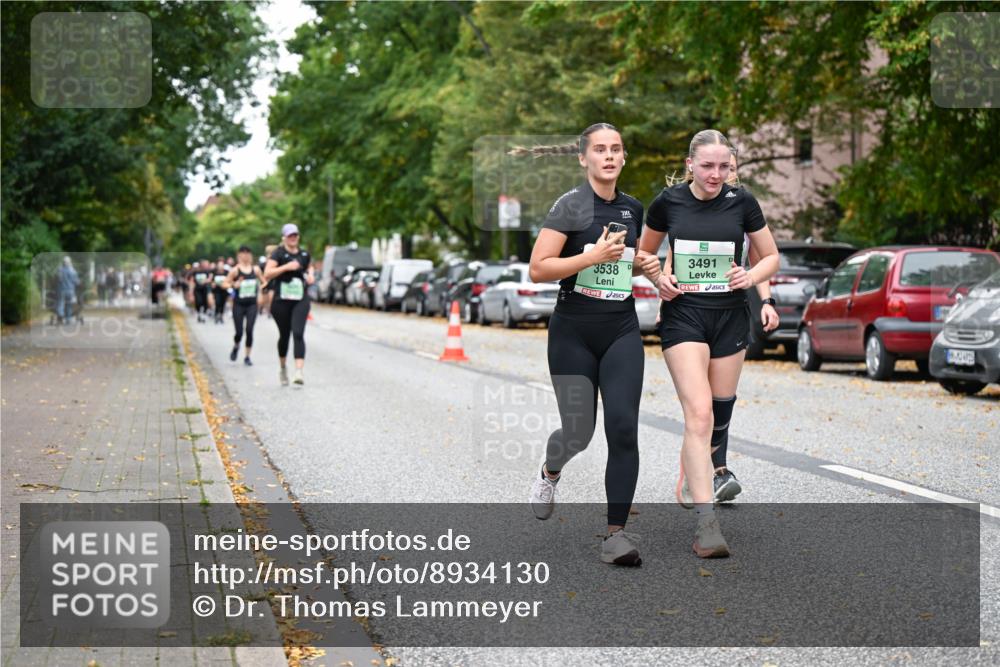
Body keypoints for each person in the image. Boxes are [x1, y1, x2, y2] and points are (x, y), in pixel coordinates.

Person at [521, 123, 660, 567]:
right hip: (573, 333)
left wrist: (644, 264)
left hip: (620, 329)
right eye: (600, 150)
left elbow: (624, 268)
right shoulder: (570, 206)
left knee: (622, 428)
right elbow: (539, 269)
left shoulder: (633, 209)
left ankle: (616, 535)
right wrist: (590, 257)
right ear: (583, 158)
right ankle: (550, 471)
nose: (609, 156)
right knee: (579, 432)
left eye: (616, 149)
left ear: (623, 158)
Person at [638, 129, 779, 558]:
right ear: (690, 165)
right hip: (685, 315)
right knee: (697, 414)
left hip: (730, 315)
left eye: (723, 166)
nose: (716, 174)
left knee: (720, 408)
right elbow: (643, 254)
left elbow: (770, 255)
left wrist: (752, 279)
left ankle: (694, 464)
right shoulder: (668, 203)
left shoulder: (744, 202)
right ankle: (707, 525)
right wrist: (659, 279)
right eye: (707, 166)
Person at [264, 224, 315, 386]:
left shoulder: (304, 254)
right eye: (289, 235)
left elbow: (309, 266)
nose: (293, 238)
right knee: (284, 336)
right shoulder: (278, 253)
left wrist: (311, 275)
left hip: (300, 298)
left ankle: (299, 372)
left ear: (298, 237)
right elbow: (267, 273)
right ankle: (283, 367)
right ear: (284, 238)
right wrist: (286, 267)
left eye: (295, 235)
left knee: (298, 333)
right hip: (281, 301)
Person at [224, 246, 266, 365]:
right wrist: (234, 284)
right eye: (243, 253)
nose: (246, 255)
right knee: (239, 332)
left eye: (248, 253)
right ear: (239, 255)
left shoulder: (256, 269)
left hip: (252, 304)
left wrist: (260, 291)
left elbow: (264, 282)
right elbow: (224, 284)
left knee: (249, 330)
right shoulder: (235, 270)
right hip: (239, 304)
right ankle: (236, 345)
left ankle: (247, 357)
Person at [55, 256, 80, 324]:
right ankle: (68, 319)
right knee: (69, 305)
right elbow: (77, 282)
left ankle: (60, 315)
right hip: (70, 290)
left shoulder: (60, 270)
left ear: (63, 262)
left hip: (61, 290)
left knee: (61, 303)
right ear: (70, 262)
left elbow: (57, 279)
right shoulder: (73, 271)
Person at [211, 258, 229, 324]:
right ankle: (216, 314)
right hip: (217, 290)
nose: (220, 266)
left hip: (224, 290)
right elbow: (211, 280)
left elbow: (229, 280)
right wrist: (213, 284)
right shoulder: (214, 272)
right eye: (219, 264)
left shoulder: (226, 272)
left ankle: (221, 315)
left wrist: (226, 284)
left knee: (223, 303)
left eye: (222, 264)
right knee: (217, 302)